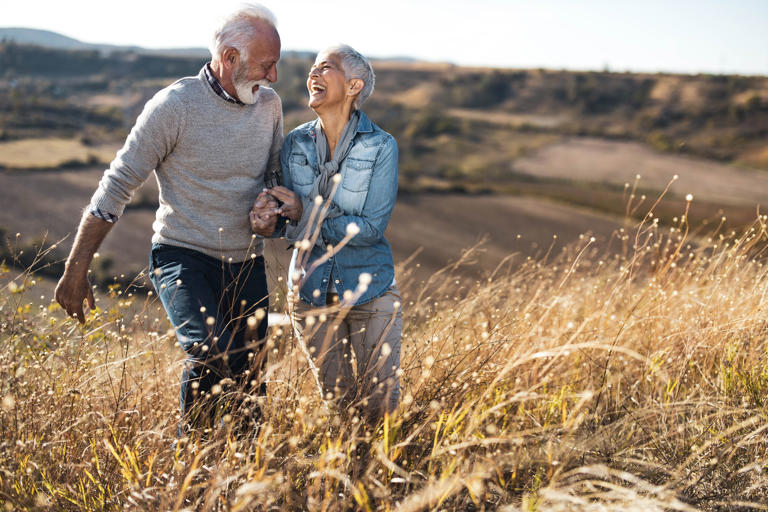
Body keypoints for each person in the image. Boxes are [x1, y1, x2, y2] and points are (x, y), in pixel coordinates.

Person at [54, 3, 283, 435]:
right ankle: (189, 471)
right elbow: (117, 185)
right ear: (229, 58)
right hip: (183, 256)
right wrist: (76, 266)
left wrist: (273, 208)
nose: (272, 77)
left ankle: (245, 478)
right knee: (211, 353)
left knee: (251, 375)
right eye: (266, 65)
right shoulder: (174, 106)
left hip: (246, 262)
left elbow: (273, 177)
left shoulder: (269, 106)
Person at [251, 44, 401, 422]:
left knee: (381, 407)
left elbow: (368, 229)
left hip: (371, 291)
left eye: (326, 68)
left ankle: (383, 474)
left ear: (353, 86)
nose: (313, 75)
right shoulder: (294, 144)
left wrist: (307, 212)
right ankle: (346, 478)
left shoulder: (381, 146)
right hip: (309, 293)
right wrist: (269, 219)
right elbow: (287, 220)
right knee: (338, 407)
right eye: (312, 69)